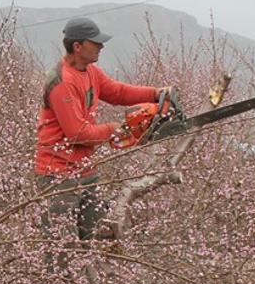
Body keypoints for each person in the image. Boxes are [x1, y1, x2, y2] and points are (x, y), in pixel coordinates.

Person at [35, 17, 171, 242]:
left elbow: (117, 92)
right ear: (78, 46)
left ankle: (87, 277)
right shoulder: (62, 83)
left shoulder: (90, 72)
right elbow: (78, 133)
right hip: (58, 175)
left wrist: (155, 94)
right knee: (62, 250)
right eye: (95, 42)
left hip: (86, 170)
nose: (101, 46)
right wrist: (114, 129)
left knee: (91, 241)